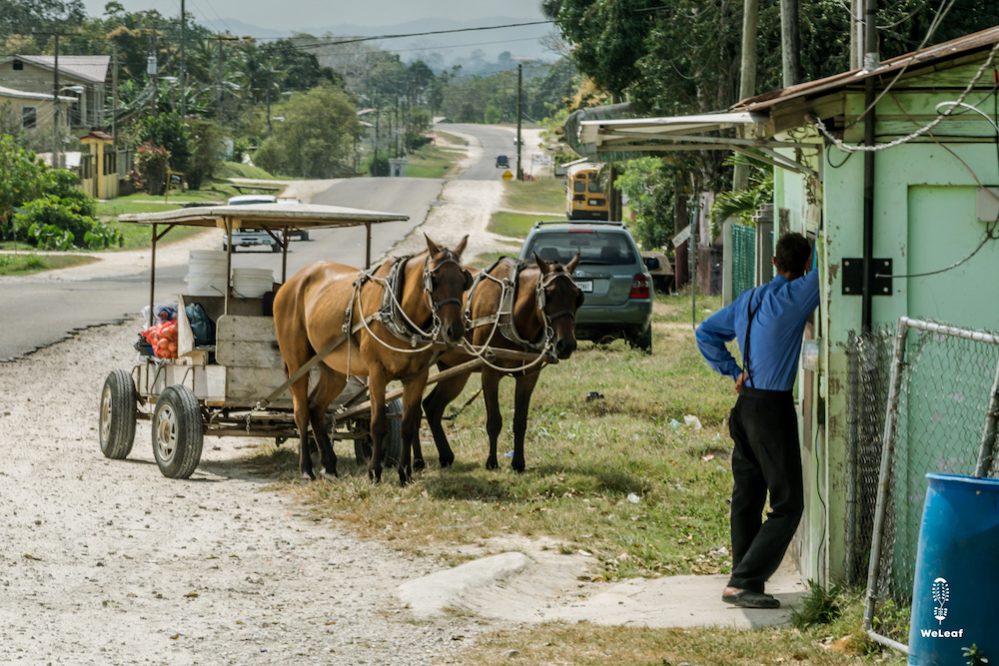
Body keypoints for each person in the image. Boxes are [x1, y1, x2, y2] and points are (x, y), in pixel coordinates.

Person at [694, 232, 819, 609]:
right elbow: (832, 267)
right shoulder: (796, 296)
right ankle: (744, 581)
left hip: (744, 406)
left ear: (773, 262)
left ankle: (742, 577)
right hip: (771, 409)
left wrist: (732, 370)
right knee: (789, 503)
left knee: (747, 498)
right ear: (805, 265)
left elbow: (705, 332)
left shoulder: (749, 299)